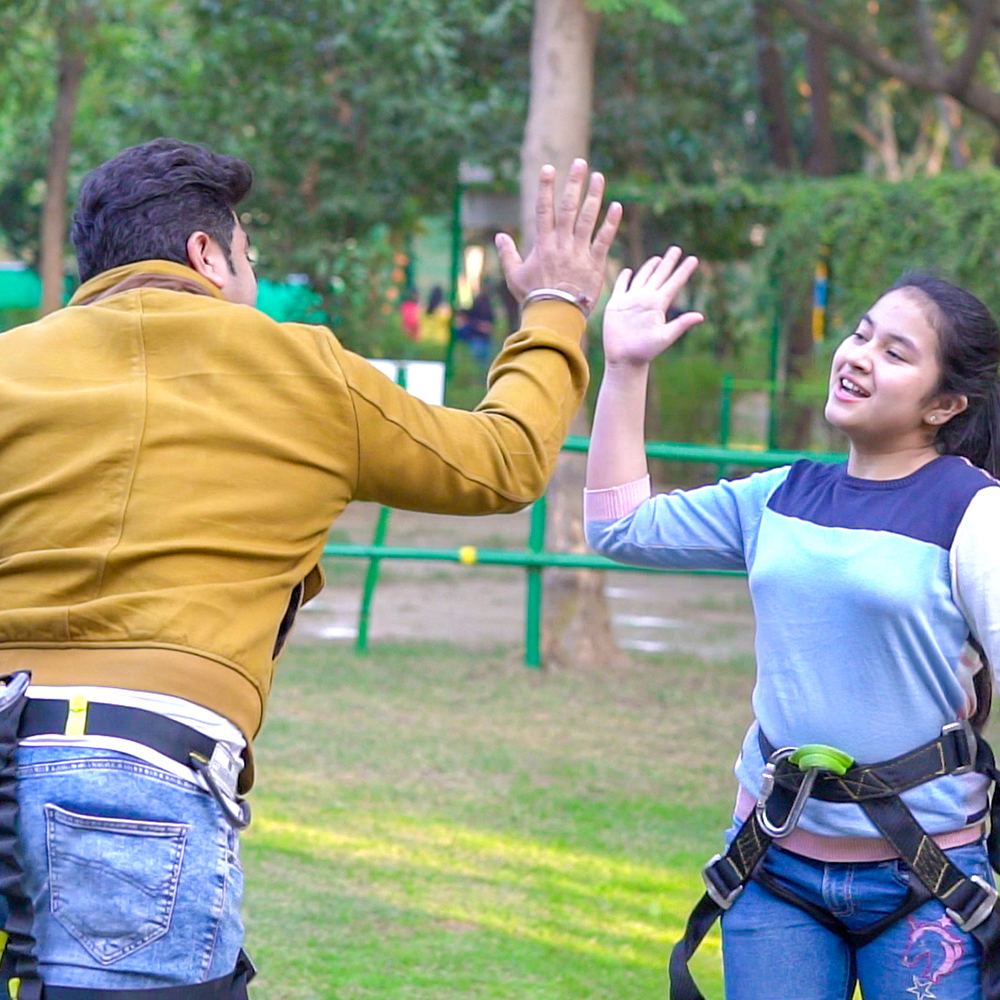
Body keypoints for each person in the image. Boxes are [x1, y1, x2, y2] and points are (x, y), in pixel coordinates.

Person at [0, 139, 621, 997]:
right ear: (207, 254)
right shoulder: (305, 368)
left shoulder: (11, 362)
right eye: (249, 255)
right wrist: (555, 308)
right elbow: (505, 460)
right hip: (142, 768)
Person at [584, 249, 1000, 1000]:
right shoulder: (781, 496)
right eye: (861, 334)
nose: (859, 355)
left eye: (895, 352)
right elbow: (620, 527)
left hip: (927, 877)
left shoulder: (974, 512)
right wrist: (625, 367)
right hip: (773, 867)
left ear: (944, 405)